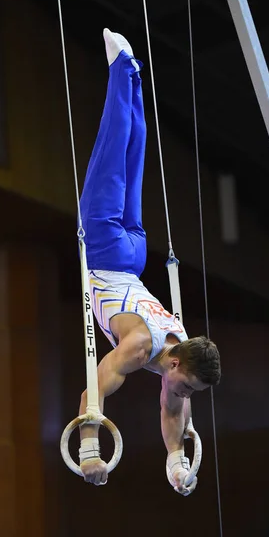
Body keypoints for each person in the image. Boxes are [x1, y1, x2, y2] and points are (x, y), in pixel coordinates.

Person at [77, 28, 221, 495]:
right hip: (107, 254)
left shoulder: (179, 344)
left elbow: (171, 410)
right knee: (112, 150)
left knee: (134, 158)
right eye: (186, 385)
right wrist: (89, 450)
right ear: (175, 361)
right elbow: (93, 393)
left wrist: (176, 461)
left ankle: (134, 76)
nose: (183, 395)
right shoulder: (141, 347)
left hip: (136, 255)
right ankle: (121, 68)